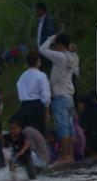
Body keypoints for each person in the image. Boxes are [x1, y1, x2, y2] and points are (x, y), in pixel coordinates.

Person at [40, 33, 79, 165]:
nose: (54, 47)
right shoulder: (74, 57)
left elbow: (42, 50)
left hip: (60, 98)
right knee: (69, 128)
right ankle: (71, 156)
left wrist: (51, 37)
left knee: (62, 129)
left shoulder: (59, 57)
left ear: (60, 45)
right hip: (69, 97)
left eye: (56, 44)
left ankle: (65, 157)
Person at [15, 50, 50, 133]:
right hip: (37, 105)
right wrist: (47, 110)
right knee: (38, 132)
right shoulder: (41, 75)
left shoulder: (22, 76)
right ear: (38, 61)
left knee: (26, 132)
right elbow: (45, 94)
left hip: (24, 105)